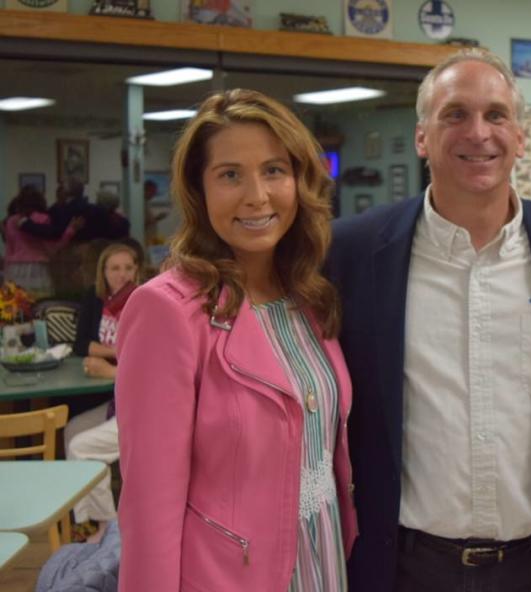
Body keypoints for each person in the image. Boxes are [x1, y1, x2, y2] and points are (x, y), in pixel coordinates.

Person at [325, 49, 531, 592]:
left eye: (496, 115)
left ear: (521, 137)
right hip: (404, 567)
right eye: (455, 114)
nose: (478, 132)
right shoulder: (352, 253)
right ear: (422, 137)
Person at [115, 89, 357, 591]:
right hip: (232, 578)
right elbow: (149, 504)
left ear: (298, 180)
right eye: (230, 175)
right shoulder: (168, 310)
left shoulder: (309, 294)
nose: (257, 195)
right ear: (198, 191)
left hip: (326, 556)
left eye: (274, 170)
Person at [64, 242, 141, 544]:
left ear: (138, 270)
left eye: (128, 268)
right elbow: (81, 342)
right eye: (115, 268)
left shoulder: (144, 301)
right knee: (72, 431)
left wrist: (109, 368)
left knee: (82, 447)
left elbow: (147, 364)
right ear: (103, 272)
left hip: (142, 406)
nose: (122, 275)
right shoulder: (96, 299)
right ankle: (86, 520)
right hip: (120, 398)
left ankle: (108, 528)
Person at [2, 186, 78, 296]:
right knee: (39, 304)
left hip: (14, 268)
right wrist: (70, 231)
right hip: (37, 268)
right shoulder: (42, 218)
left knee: (16, 305)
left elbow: (9, 249)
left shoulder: (11, 221)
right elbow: (52, 248)